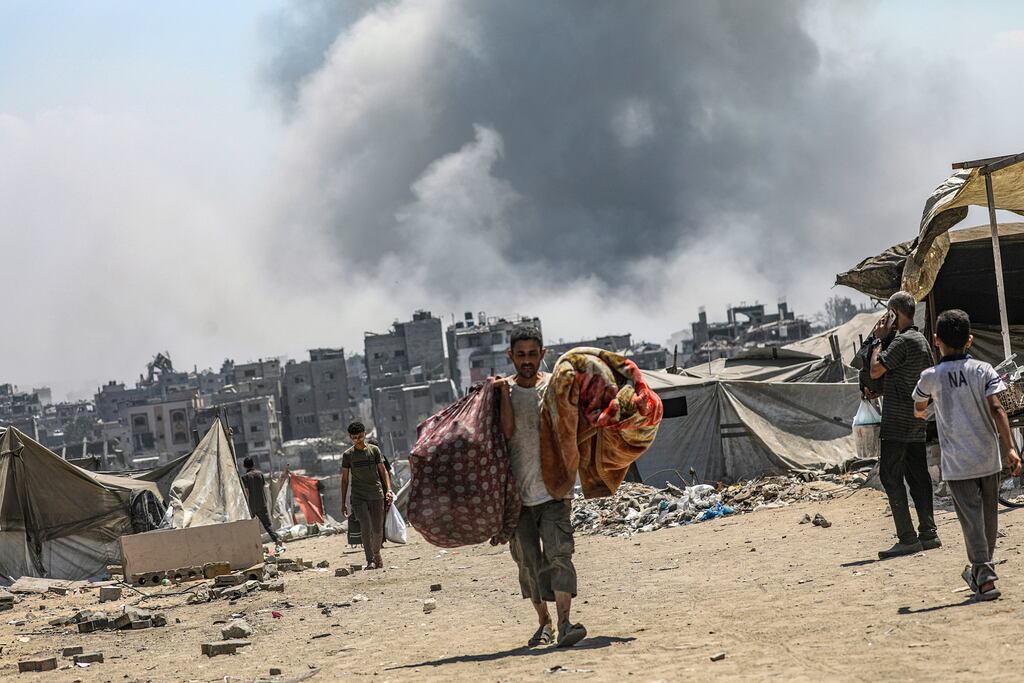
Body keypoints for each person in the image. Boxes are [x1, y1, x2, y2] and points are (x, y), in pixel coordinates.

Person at [913, 310, 1021, 600]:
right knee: (988, 518)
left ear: (936, 341)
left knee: (971, 520)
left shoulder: (930, 377)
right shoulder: (983, 370)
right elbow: (998, 409)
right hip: (988, 457)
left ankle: (984, 575)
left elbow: (919, 407)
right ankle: (980, 570)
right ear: (970, 340)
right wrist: (1010, 447)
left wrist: (924, 412)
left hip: (957, 463)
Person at [493, 325, 587, 649]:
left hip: (555, 491)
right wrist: (503, 394)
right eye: (520, 355)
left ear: (543, 355)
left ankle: (564, 623)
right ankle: (544, 622)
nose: (527, 360)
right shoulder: (502, 391)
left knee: (560, 554)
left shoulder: (555, 389)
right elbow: (505, 432)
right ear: (511, 356)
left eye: (533, 354)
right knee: (530, 563)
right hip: (517, 498)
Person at [869, 291, 940, 558]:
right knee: (918, 476)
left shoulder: (900, 342)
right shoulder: (921, 340)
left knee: (889, 476)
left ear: (895, 313)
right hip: (917, 419)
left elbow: (876, 369)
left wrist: (878, 340)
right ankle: (929, 533)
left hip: (897, 422)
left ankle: (907, 537)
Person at [341, 421, 392, 569]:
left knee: (377, 529)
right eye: (354, 437)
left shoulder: (374, 451)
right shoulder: (348, 455)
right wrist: (343, 502)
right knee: (365, 525)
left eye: (360, 436)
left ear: (365, 434)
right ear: (350, 438)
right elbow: (344, 480)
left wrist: (388, 490)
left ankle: (377, 554)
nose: (358, 440)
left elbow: (383, 471)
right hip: (358, 496)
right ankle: (369, 560)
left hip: (376, 494)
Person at [241, 457, 287, 554]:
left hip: (252, 505)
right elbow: (262, 487)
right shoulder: (260, 474)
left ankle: (253, 545)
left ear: (244, 466)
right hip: (262, 503)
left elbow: (247, 492)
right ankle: (277, 540)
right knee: (267, 525)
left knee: (251, 525)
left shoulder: (245, 477)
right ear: (253, 464)